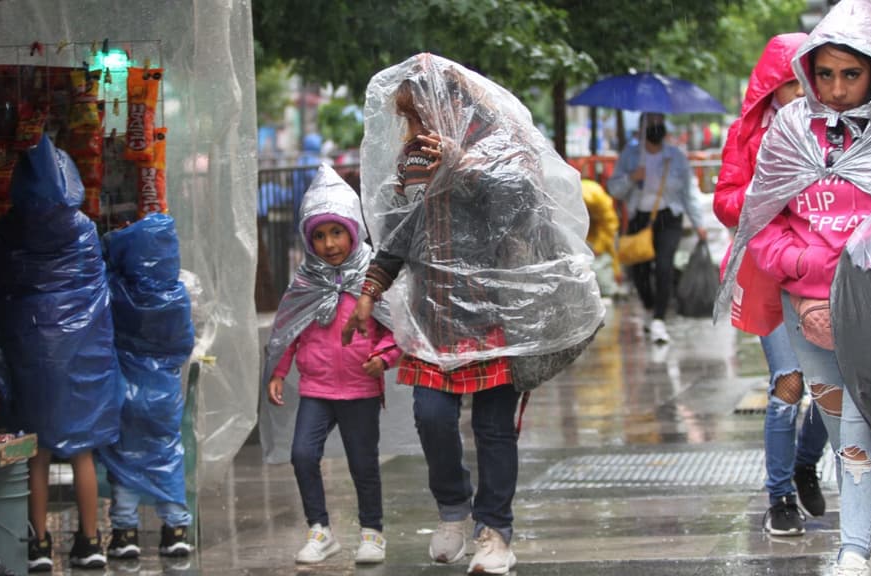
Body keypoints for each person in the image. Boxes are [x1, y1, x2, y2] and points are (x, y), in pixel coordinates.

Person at [343, 53, 603, 575]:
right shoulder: (412, 160)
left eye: (419, 115)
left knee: (493, 427)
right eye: (407, 119)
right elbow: (397, 234)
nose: (413, 129)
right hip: (434, 321)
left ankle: (495, 532)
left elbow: (523, 208)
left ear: (448, 104)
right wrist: (371, 289)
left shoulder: (499, 146)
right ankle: (452, 509)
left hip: (495, 316)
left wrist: (461, 163)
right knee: (431, 417)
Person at [715, 1, 871, 573]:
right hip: (806, 310)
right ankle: (858, 544)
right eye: (825, 74)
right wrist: (808, 281)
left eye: (851, 74)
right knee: (847, 428)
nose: (838, 88)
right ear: (807, 73)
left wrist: (841, 285)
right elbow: (759, 221)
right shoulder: (790, 130)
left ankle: (856, 544)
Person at [0, 135, 122, 572]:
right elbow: (97, 291)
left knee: (37, 452)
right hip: (79, 360)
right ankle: (90, 540)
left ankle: (39, 543)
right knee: (82, 449)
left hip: (29, 357)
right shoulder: (82, 230)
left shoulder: (9, 229)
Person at [714, 32, 830, 537]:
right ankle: (779, 494)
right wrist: (769, 192)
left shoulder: (839, 131)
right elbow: (725, 203)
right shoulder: (746, 135)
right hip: (768, 273)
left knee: (834, 387)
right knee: (789, 384)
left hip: (825, 275)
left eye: (809, 84)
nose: (801, 95)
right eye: (790, 85)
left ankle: (805, 462)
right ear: (771, 90)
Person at [263, 164, 402, 565]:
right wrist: (278, 370)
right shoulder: (305, 282)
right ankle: (319, 529)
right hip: (317, 388)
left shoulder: (372, 281)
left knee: (363, 463)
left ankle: (372, 532)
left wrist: (383, 358)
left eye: (336, 232)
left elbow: (396, 332)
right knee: (303, 455)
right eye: (319, 236)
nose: (329, 244)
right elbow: (290, 328)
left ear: (353, 230)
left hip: (360, 387)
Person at [97, 214, 196, 561]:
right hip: (164, 394)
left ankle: (124, 534)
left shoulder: (116, 290)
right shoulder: (176, 296)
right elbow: (185, 344)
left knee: (124, 460)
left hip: (124, 390)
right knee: (166, 455)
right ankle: (176, 529)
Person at [608, 113, 708, 345]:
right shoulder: (630, 155)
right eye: (651, 123)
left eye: (659, 123)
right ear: (642, 128)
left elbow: (689, 192)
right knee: (639, 271)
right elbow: (614, 189)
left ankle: (659, 320)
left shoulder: (675, 157)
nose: (656, 127)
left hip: (668, 218)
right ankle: (650, 306)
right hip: (639, 218)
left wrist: (698, 222)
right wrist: (633, 177)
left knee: (664, 266)